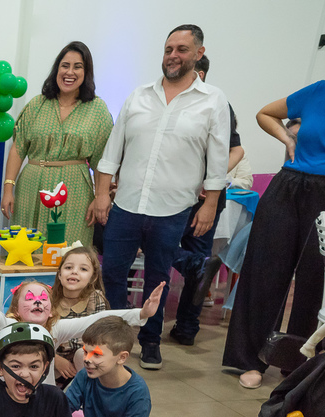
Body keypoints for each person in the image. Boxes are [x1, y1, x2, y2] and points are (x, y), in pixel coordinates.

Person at [223, 21, 325, 389]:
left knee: (316, 281)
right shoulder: (318, 90)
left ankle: (296, 363)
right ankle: (248, 360)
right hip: (289, 186)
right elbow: (265, 113)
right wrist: (287, 138)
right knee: (264, 271)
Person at [91, 23, 231, 370]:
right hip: (126, 204)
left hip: (172, 210)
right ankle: (116, 338)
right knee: (112, 274)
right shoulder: (139, 95)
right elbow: (113, 150)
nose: (173, 56)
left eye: (182, 49)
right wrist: (102, 195)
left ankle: (151, 341)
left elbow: (217, 159)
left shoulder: (213, 101)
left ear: (199, 53)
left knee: (158, 278)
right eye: (169, 49)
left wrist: (210, 204)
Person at [167, 54, 246, 348]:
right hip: (175, 194)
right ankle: (187, 322)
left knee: (165, 249)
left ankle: (187, 327)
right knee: (193, 262)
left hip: (201, 199)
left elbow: (237, 150)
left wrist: (210, 178)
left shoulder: (216, 103)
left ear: (199, 73)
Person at [2, 41, 113, 248]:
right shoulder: (37, 104)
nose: (69, 72)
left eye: (77, 66)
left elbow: (102, 159)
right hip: (30, 186)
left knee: (69, 249)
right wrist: (8, 188)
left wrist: (100, 196)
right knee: (24, 247)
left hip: (74, 190)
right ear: (56, 69)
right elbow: (18, 148)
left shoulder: (97, 110)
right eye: (65, 65)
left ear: (86, 72)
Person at [0, 277, 164, 384]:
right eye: (30, 298)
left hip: (45, 396)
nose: (38, 301)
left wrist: (141, 313)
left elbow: (97, 319)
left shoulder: (55, 329)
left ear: (50, 312)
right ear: (16, 310)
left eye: (43, 298)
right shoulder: (12, 326)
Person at [65, 317, 152, 417]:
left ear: (122, 358)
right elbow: (63, 407)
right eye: (85, 352)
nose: (86, 359)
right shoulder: (85, 375)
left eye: (96, 354)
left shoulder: (137, 393)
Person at [48, 246, 110, 382]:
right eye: (69, 267)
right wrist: (56, 359)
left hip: (85, 359)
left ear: (93, 277)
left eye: (83, 269)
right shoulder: (47, 299)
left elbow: (99, 339)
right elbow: (39, 336)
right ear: (59, 274)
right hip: (52, 358)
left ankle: (84, 392)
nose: (74, 272)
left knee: (83, 354)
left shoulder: (95, 299)